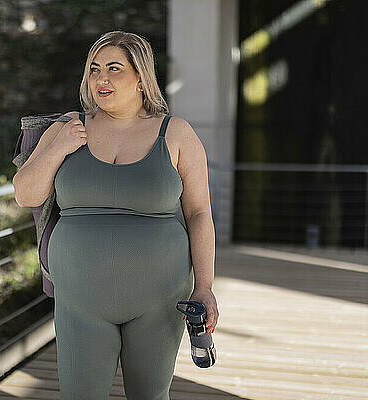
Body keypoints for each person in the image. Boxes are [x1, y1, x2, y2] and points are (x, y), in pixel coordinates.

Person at [12, 30, 219, 400]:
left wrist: (205, 287)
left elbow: (200, 213)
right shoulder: (66, 128)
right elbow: (26, 194)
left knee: (150, 397)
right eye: (94, 70)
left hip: (160, 298)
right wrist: (57, 147)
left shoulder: (176, 134)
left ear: (141, 77)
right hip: (79, 299)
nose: (101, 79)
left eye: (113, 68)